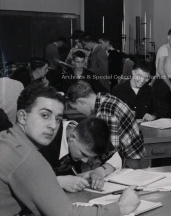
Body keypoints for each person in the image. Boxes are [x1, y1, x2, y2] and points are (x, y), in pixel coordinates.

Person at [0, 82, 139, 215]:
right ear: (22, 117)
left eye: (58, 118)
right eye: (45, 115)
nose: (53, 126)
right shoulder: (27, 157)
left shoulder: (7, 139)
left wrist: (99, 171)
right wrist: (121, 208)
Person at [66, 81, 146, 163]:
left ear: (81, 101)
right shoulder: (106, 98)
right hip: (133, 153)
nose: (78, 111)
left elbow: (111, 151)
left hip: (128, 160)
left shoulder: (105, 111)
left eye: (76, 108)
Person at [40, 117, 122, 193]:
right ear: (72, 137)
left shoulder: (93, 135)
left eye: (90, 157)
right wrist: (59, 181)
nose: (85, 160)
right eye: (83, 154)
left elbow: (116, 158)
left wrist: (99, 171)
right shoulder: (45, 139)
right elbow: (29, 180)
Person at [153, 28, 171, 118]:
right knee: (163, 112)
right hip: (162, 83)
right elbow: (160, 70)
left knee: (170, 111)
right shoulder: (164, 48)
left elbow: (170, 69)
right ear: (168, 37)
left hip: (168, 81)